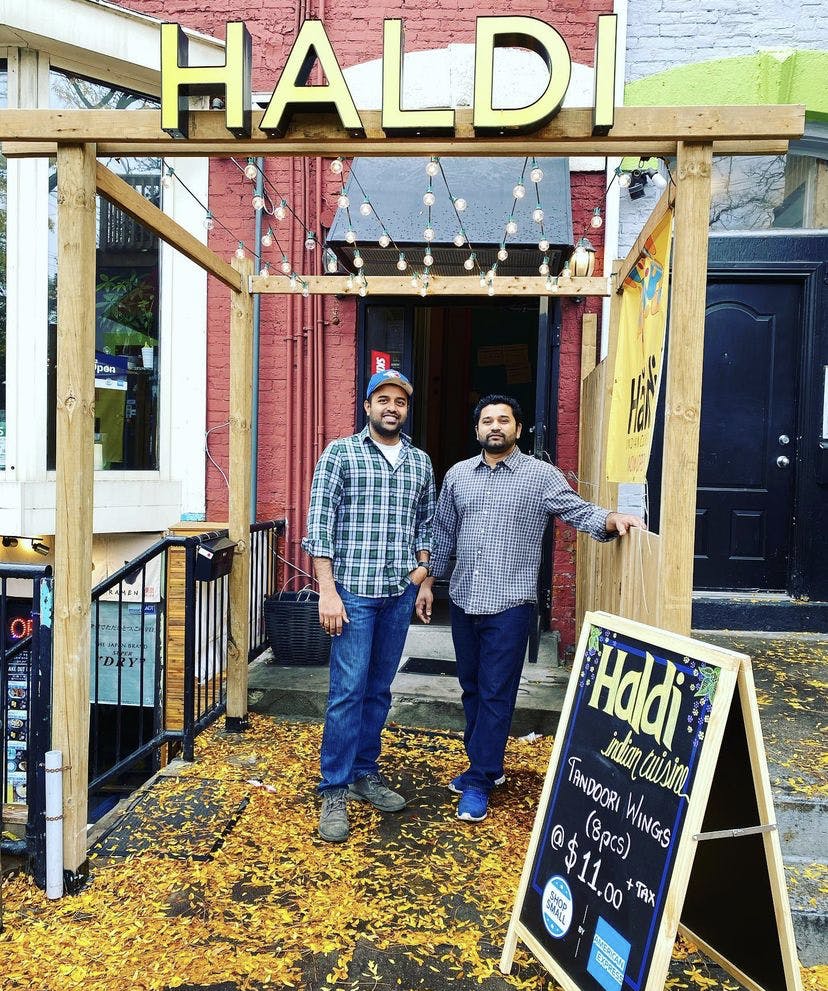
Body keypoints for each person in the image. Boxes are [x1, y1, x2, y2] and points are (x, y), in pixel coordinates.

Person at [415, 394, 644, 824]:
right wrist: (428, 581)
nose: (495, 427)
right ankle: (488, 765)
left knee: (497, 692)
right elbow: (443, 533)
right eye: (487, 420)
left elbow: (576, 509)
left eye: (504, 420)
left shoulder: (540, 476)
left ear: (518, 429)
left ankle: (481, 779)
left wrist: (612, 520)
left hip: (511, 603)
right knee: (470, 687)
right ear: (477, 429)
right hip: (464, 599)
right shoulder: (458, 476)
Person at [302, 369, 436, 843]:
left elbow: (427, 524)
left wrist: (422, 576)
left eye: (400, 400)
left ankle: (363, 772)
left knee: (379, 690)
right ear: (367, 405)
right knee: (347, 692)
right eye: (383, 399)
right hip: (353, 593)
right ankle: (333, 787)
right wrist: (328, 590)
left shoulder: (420, 462)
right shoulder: (340, 453)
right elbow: (319, 524)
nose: (392, 408)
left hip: (398, 594)